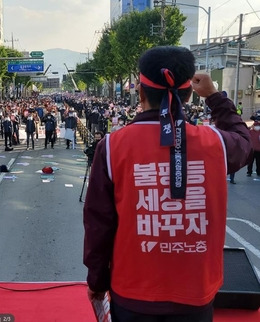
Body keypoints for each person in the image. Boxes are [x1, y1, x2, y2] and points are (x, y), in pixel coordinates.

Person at [83, 46, 251, 322]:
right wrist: (214, 97)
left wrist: (97, 282)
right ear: (188, 94)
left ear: (140, 91)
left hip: (133, 295)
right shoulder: (215, 143)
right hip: (197, 295)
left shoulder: (113, 146)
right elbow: (244, 140)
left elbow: (98, 225)